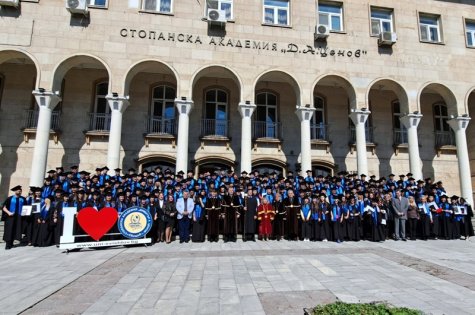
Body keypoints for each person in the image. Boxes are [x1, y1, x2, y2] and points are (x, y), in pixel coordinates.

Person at [2, 185, 26, 249]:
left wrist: (24, 213)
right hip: (10, 217)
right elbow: (4, 207)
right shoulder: (10, 198)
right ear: (15, 191)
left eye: (20, 191)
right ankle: (7, 244)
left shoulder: (23, 199)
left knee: (16, 229)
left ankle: (11, 243)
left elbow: (26, 207)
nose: (20, 192)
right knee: (9, 230)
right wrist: (8, 212)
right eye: (18, 191)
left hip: (19, 217)